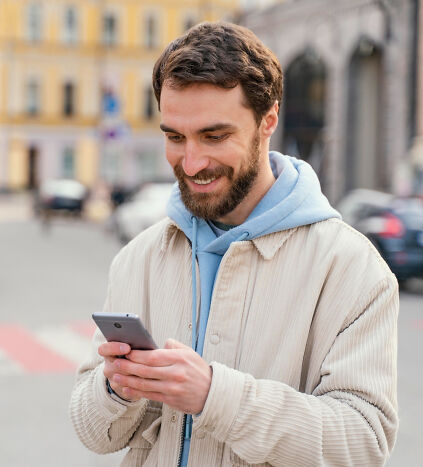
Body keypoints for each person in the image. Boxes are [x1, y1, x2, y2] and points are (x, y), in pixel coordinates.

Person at [69, 22, 398, 466]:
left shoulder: (353, 269)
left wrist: (214, 396)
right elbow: (94, 434)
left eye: (214, 136)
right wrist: (115, 389)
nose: (192, 162)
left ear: (268, 121)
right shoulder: (139, 257)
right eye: (174, 137)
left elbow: (363, 443)